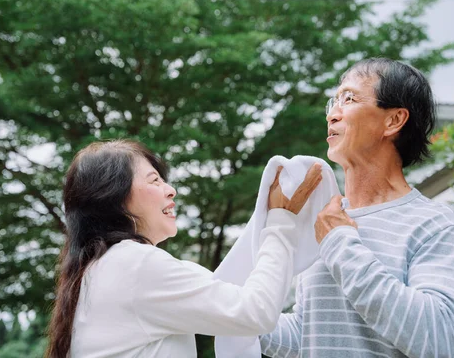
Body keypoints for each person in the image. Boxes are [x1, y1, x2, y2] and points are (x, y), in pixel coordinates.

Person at [260, 58, 454, 358]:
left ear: (393, 121)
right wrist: (230, 310)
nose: (332, 115)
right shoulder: (326, 221)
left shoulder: (438, 225)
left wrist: (340, 244)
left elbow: (440, 339)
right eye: (333, 102)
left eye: (348, 99)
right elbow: (309, 334)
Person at [45, 139, 322, 358]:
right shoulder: (135, 265)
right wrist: (279, 221)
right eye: (154, 180)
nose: (170, 190)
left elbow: (229, 291)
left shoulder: (103, 267)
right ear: (113, 196)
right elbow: (254, 312)